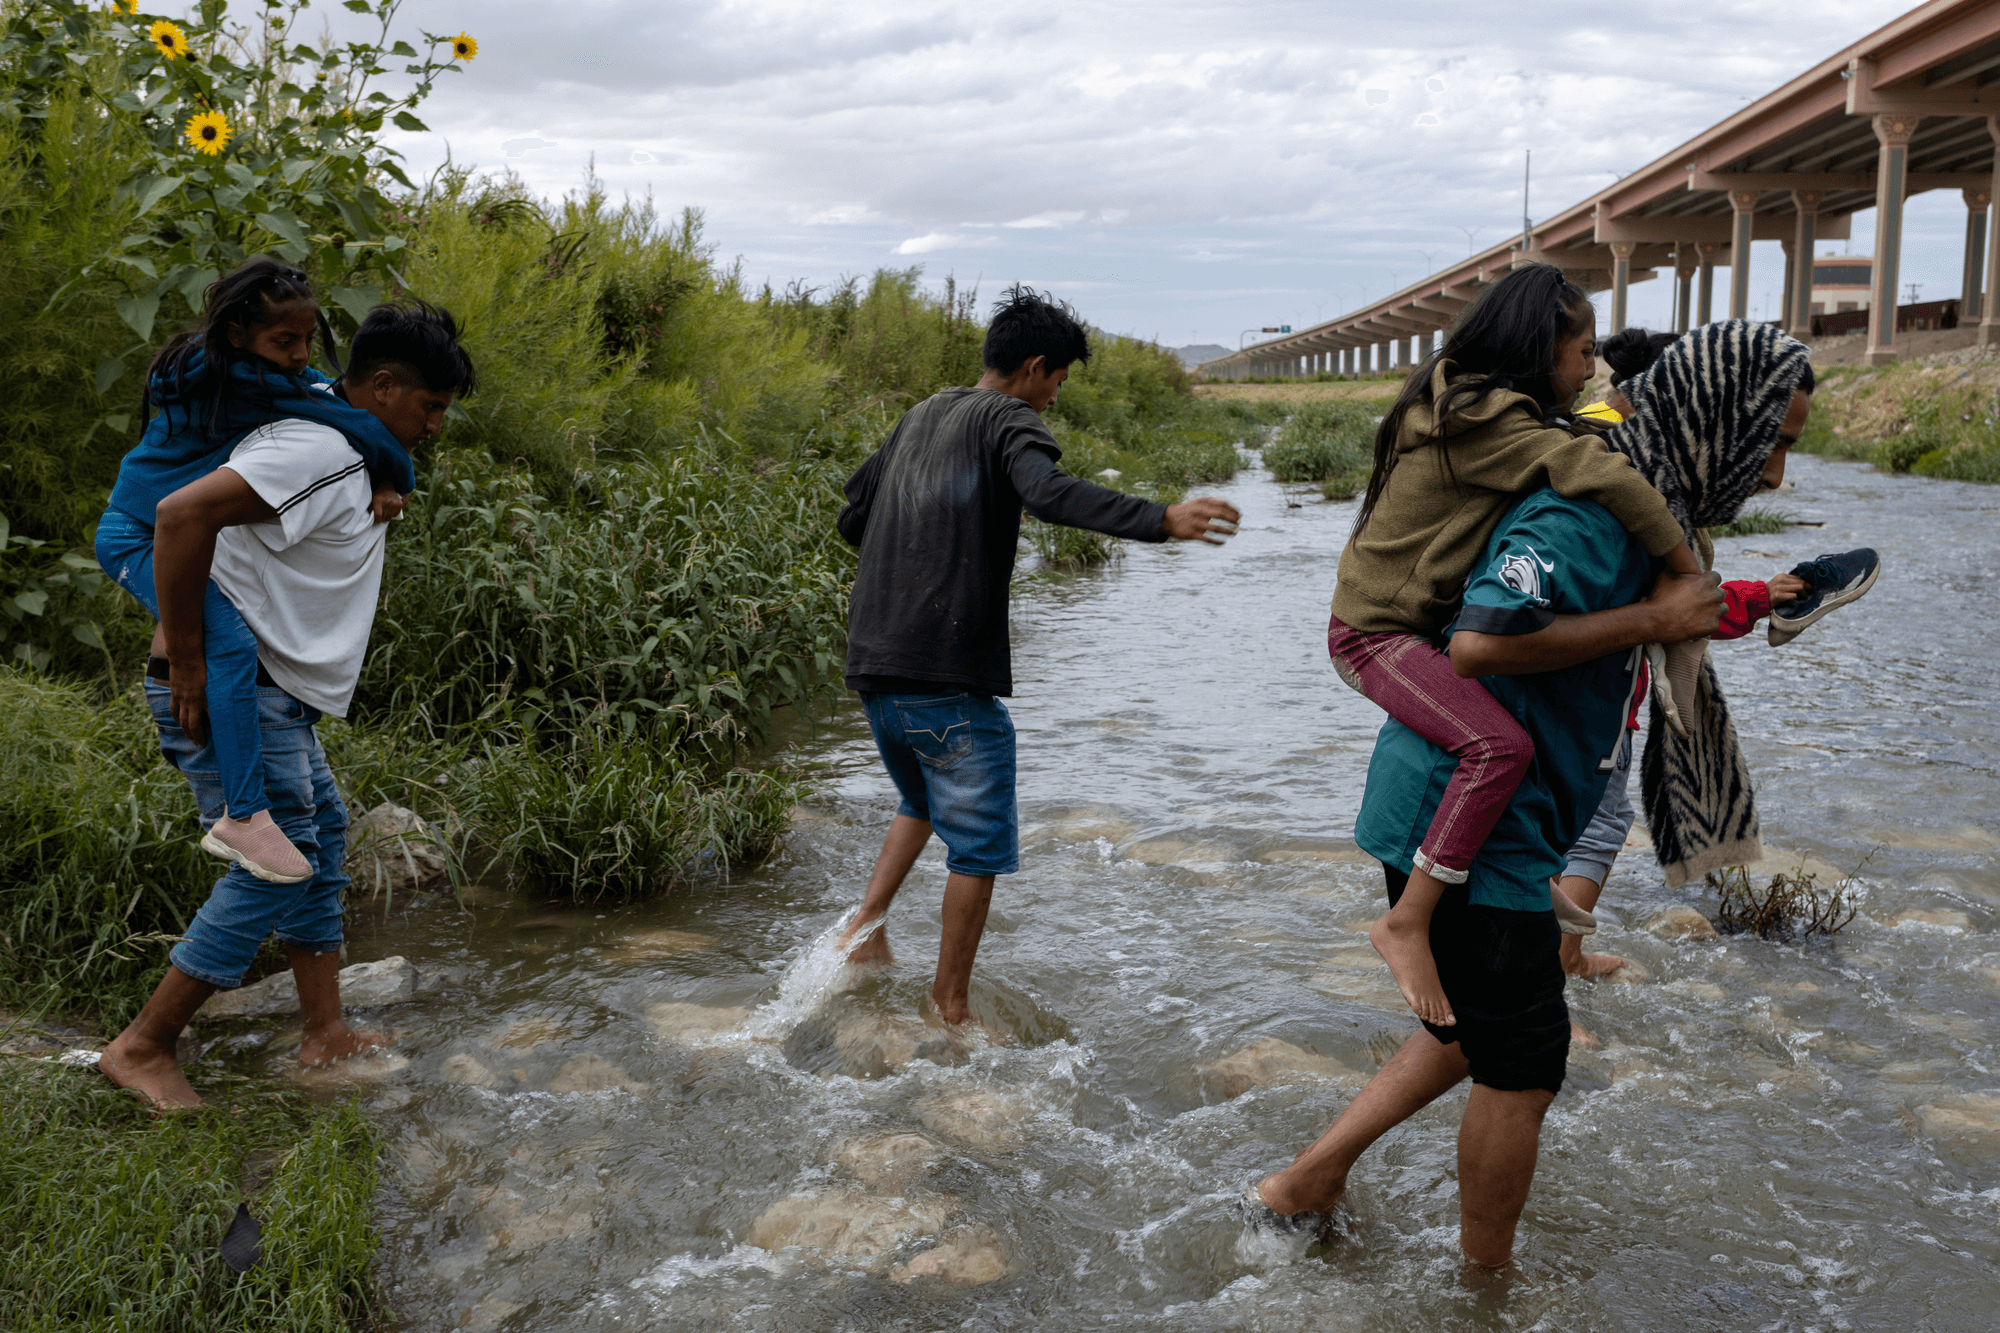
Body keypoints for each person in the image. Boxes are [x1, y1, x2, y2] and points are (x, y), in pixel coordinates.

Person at [1251, 319, 1812, 1270]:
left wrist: (1755, 599)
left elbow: (1656, 612)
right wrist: (1656, 615)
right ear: (1722, 421)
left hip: (1482, 813)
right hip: (1467, 815)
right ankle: (1485, 1292)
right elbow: (1479, 640)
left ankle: (1304, 1184)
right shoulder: (1587, 514)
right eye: (1775, 444)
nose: (1775, 474)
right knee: (1526, 1064)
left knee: (1476, 1029)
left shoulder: (1648, 510)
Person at [97, 302, 476, 1111]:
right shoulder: (322, 449)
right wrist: (191, 653)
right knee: (276, 862)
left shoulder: (344, 445)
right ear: (381, 387)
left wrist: (385, 477)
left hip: (273, 688)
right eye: (431, 406)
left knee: (322, 831)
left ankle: (324, 1027)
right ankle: (143, 1045)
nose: (437, 426)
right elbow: (179, 514)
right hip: (234, 686)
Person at [832, 286, 1241, 1028]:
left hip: (874, 669)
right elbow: (1047, 492)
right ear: (1034, 366)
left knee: (922, 799)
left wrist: (919, 553)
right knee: (980, 847)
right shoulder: (1007, 418)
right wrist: (1162, 518)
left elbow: (853, 513)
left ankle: (863, 932)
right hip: (944, 676)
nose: (1054, 398)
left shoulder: (922, 414)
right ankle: (950, 1010)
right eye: (1058, 381)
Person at [1327, 265, 1707, 1030]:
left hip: (1403, 624)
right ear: (1540, 352)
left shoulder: (1471, 403)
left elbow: (1583, 433)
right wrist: (1684, 569)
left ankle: (1528, 882)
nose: (1592, 370)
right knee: (1498, 745)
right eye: (1583, 353)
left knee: (1504, 741)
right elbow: (1598, 472)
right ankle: (1404, 924)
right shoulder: (1485, 421)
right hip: (1374, 637)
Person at [96, 258, 414, 884]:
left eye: (304, 339)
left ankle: (247, 814)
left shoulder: (255, 368)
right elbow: (347, 417)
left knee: (230, 639)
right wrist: (395, 470)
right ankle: (243, 816)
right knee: (229, 641)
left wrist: (379, 471)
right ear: (239, 335)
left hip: (160, 528)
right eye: (284, 342)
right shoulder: (241, 379)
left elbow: (325, 398)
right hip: (136, 535)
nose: (299, 356)